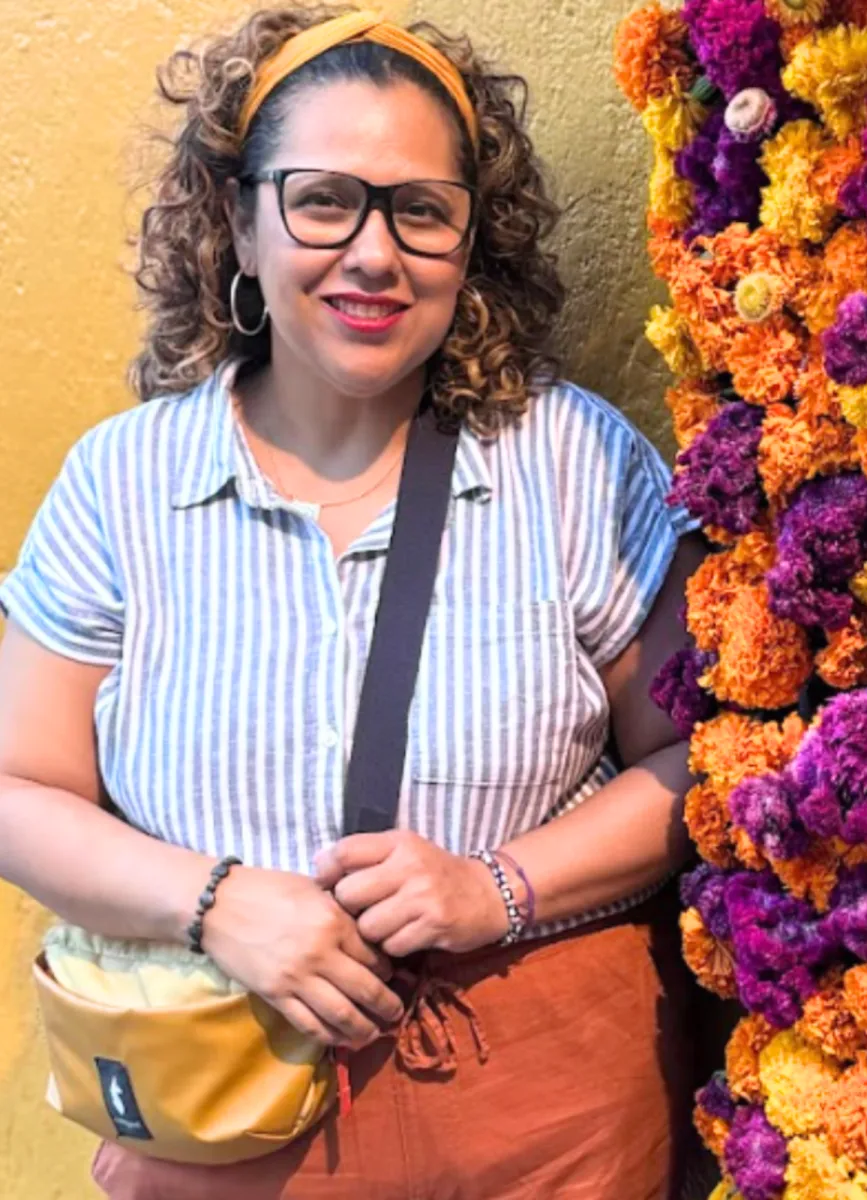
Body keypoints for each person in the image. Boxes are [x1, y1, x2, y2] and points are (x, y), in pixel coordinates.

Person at [0, 7, 705, 1197]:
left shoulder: (574, 462)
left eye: (421, 210)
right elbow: (20, 791)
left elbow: (697, 763)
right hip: (223, 1111)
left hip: (549, 1119)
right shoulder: (123, 484)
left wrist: (496, 888)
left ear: (471, 242)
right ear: (239, 219)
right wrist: (216, 904)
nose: (375, 254)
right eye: (323, 200)